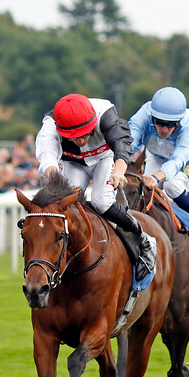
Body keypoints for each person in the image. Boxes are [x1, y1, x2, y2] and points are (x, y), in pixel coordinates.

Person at [35, 93, 155, 281]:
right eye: (74, 137)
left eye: (84, 134)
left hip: (105, 159)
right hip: (72, 163)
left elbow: (121, 145)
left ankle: (143, 240)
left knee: (102, 202)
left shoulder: (104, 113)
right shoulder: (51, 124)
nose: (81, 141)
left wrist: (119, 171)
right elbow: (47, 156)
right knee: (66, 204)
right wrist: (56, 182)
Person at [129, 86, 189, 265]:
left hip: (188, 159)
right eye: (160, 123)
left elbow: (178, 159)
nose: (165, 129)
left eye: (171, 124)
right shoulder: (142, 115)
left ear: (179, 122)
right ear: (152, 117)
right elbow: (130, 143)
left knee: (172, 185)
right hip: (156, 156)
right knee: (144, 192)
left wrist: (157, 177)